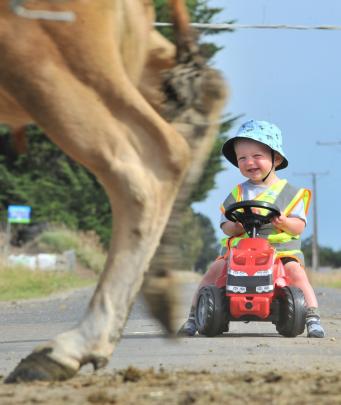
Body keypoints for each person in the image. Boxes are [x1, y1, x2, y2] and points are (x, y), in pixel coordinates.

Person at [179, 119, 325, 338]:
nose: (249, 162)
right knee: (213, 272)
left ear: (275, 158)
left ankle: (312, 316)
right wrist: (235, 227)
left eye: (257, 156)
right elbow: (225, 224)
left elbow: (299, 226)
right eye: (242, 158)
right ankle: (193, 316)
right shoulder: (238, 193)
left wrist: (285, 222)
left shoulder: (291, 194)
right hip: (241, 250)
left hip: (280, 250)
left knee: (296, 273)